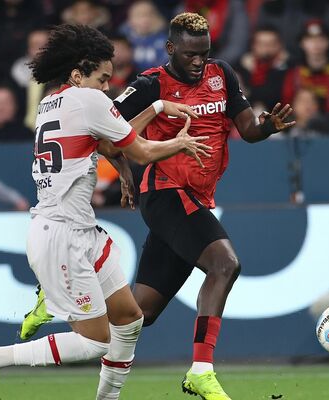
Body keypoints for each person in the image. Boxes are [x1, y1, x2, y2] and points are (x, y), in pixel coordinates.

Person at [0, 24, 212, 400]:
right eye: (102, 79)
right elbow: (137, 150)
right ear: (78, 74)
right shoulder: (88, 101)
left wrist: (158, 106)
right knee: (96, 342)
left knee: (129, 319)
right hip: (63, 235)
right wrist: (179, 143)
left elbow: (115, 139)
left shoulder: (53, 102)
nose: (108, 88)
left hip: (79, 231)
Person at [111, 12, 292, 399]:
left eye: (204, 54)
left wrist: (268, 127)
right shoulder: (150, 85)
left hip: (194, 198)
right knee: (225, 264)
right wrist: (124, 170)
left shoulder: (221, 74)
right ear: (171, 48)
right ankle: (201, 370)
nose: (198, 62)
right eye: (191, 54)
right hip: (165, 192)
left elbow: (247, 130)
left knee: (138, 315)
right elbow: (106, 130)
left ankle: (14, 348)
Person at [282, 19, 329, 114]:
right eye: (310, 39)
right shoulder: (294, 74)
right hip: (302, 125)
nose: (316, 43)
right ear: (302, 43)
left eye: (321, 39)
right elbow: (286, 105)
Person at [235, 24, 290, 113]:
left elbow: (277, 98)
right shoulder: (241, 67)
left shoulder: (289, 67)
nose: (266, 48)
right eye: (261, 43)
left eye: (271, 44)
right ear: (253, 45)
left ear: (280, 45)